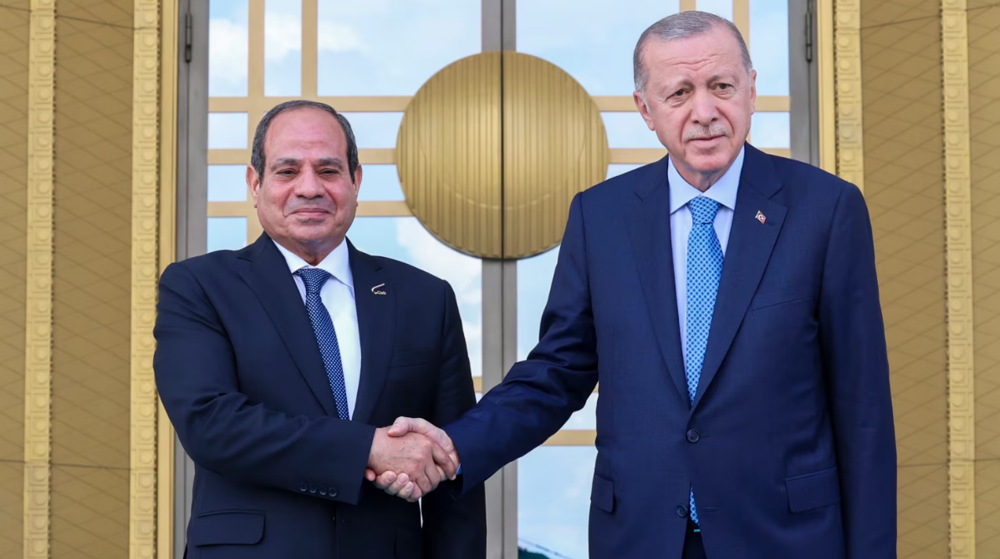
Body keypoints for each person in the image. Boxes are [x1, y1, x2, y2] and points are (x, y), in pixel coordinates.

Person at [372, 11, 896, 559]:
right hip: (641, 537)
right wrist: (454, 445)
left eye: (722, 87)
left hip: (786, 540)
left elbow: (863, 411)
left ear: (752, 90)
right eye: (679, 93)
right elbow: (557, 372)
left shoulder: (827, 209)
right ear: (645, 109)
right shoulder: (601, 217)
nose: (705, 112)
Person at [153, 100, 485, 559]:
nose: (309, 188)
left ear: (355, 181)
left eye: (328, 170)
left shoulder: (425, 299)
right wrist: (367, 448)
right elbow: (212, 424)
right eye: (288, 171)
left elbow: (450, 466)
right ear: (256, 183)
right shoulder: (200, 286)